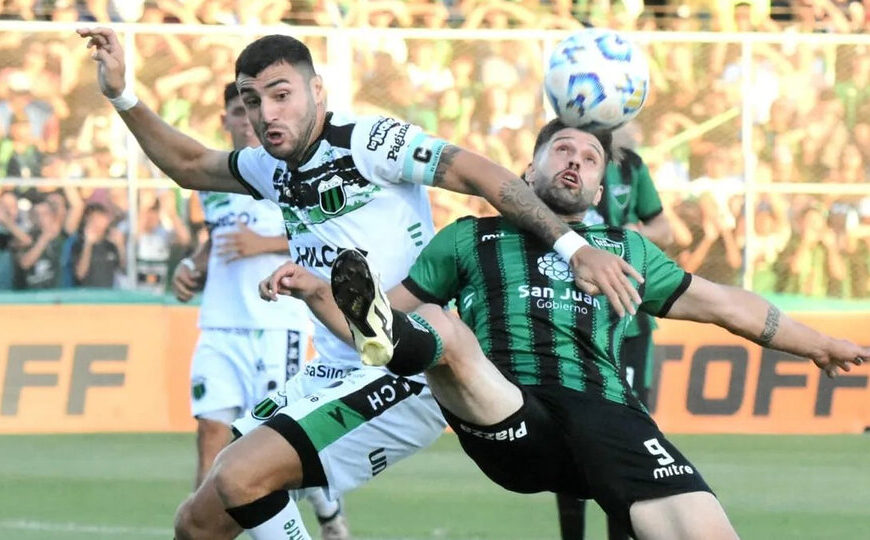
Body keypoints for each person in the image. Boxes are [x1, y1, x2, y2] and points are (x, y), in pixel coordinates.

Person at [76, 27, 642, 539]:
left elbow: (479, 174)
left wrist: (575, 246)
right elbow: (190, 163)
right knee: (197, 523)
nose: (266, 114)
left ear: (316, 92)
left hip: (408, 364)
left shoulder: (369, 142)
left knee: (241, 477)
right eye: (253, 102)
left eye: (281, 94)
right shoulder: (268, 168)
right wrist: (122, 94)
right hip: (336, 365)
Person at [272, 120, 867, 540]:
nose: (574, 161)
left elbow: (724, 306)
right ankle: (420, 347)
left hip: (605, 414)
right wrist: (318, 293)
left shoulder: (623, 248)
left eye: (589, 158)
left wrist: (818, 345)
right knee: (439, 331)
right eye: (562, 150)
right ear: (528, 168)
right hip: (508, 411)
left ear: (601, 190)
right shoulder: (468, 238)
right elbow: (373, 322)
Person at [169, 82, 349, 538]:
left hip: (277, 324)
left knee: (273, 442)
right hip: (219, 324)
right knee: (211, 431)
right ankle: (206, 527)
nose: (246, 119)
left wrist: (263, 245)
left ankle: (328, 515)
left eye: (250, 110)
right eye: (236, 111)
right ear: (227, 119)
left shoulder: (288, 172)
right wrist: (193, 265)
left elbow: (322, 233)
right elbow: (219, 236)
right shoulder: (212, 184)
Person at [559, 127, 674, 540]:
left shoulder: (631, 165)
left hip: (628, 321)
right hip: (568, 314)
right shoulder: (554, 159)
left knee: (626, 434)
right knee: (569, 433)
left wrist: (624, 239)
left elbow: (665, 229)